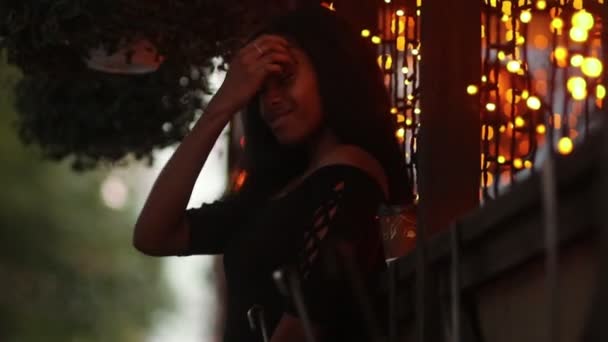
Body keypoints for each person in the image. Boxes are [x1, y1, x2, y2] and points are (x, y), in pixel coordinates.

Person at [133, 6, 414, 342]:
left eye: (284, 79)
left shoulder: (350, 175)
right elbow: (153, 235)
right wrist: (224, 102)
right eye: (260, 91)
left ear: (333, 71)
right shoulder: (274, 193)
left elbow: (302, 327)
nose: (272, 101)